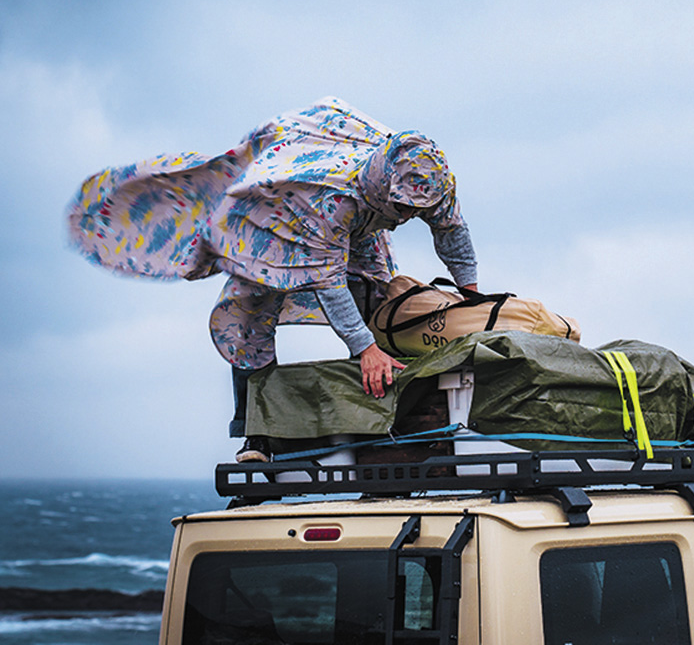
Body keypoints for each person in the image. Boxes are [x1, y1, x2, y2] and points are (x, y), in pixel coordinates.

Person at [67, 98, 477, 461]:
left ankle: (382, 425)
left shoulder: (429, 178)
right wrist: (365, 348)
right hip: (276, 216)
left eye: (415, 209)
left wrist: (472, 296)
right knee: (248, 315)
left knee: (374, 296)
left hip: (358, 219)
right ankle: (256, 435)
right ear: (385, 187)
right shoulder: (330, 199)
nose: (408, 217)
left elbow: (451, 231)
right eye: (403, 208)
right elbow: (329, 281)